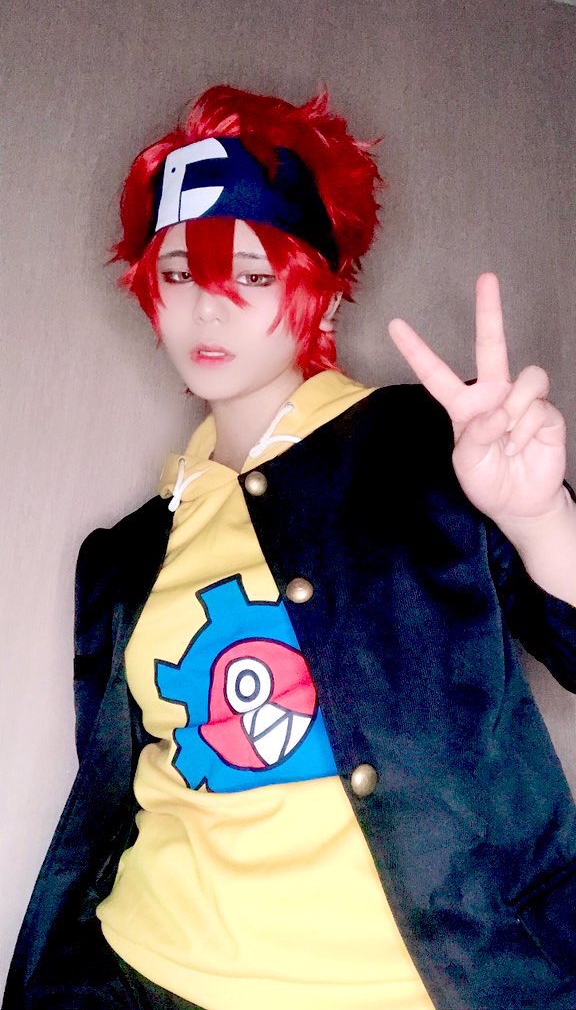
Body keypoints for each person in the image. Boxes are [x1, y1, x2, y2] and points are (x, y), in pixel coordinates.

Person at [4, 85, 576, 1010]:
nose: (209, 309)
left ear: (321, 287)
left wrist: (540, 515)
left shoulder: (430, 451)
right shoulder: (128, 552)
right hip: (134, 974)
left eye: (251, 275)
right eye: (179, 273)